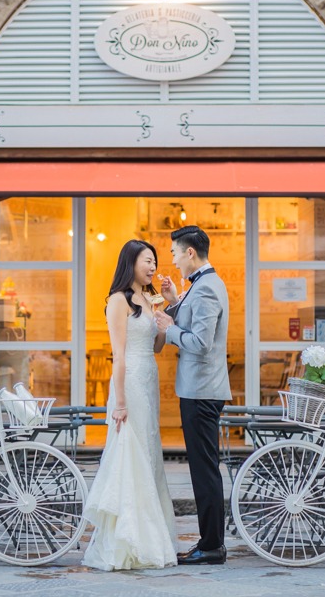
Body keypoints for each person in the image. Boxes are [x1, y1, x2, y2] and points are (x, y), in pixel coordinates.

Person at [83, 240, 178, 570]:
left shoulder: (148, 298)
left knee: (149, 452)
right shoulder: (118, 300)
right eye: (146, 261)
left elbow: (157, 347)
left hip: (148, 378)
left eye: (154, 261)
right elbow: (119, 355)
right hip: (129, 382)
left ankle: (151, 536)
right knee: (130, 453)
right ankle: (127, 539)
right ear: (130, 262)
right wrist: (119, 402)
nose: (152, 267)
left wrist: (165, 311)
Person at [154, 225, 231, 565]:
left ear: (189, 253)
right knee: (203, 468)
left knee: (204, 470)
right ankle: (210, 542)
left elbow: (200, 343)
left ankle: (212, 545)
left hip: (201, 391)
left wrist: (168, 331)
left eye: (173, 253)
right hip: (199, 390)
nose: (171, 259)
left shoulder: (206, 289)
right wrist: (173, 303)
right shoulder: (201, 285)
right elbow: (194, 322)